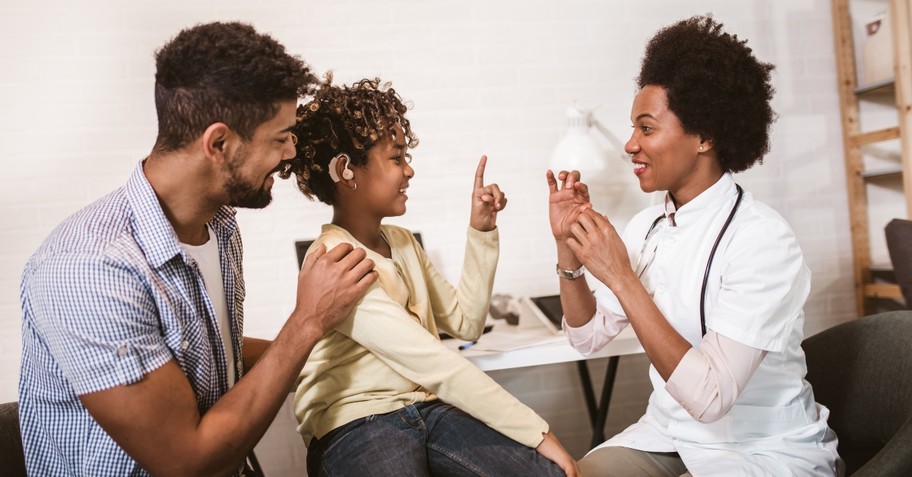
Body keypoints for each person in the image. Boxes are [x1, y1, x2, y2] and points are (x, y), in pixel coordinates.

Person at [18, 22, 378, 476]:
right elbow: (188, 463)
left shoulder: (220, 227)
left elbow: (208, 353)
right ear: (219, 143)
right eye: (279, 137)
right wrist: (307, 321)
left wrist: (350, 353)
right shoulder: (88, 270)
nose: (291, 153)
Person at [547, 16, 842, 476]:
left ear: (704, 136)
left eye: (646, 128)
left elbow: (710, 398)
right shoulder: (647, 227)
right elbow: (585, 336)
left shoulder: (763, 239)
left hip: (760, 448)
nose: (630, 144)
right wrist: (569, 250)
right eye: (633, 129)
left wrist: (623, 278)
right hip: (667, 437)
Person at [283, 75, 579, 477]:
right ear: (346, 170)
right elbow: (436, 365)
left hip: (426, 408)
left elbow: (465, 323)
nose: (409, 171)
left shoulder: (402, 242)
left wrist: (482, 231)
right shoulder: (336, 260)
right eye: (396, 158)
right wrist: (538, 433)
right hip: (357, 424)